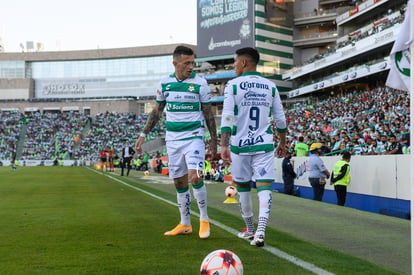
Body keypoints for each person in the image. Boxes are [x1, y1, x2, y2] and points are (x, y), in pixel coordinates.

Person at [135, 45, 217, 239]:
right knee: (179, 182)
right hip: (172, 139)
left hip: (194, 137)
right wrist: (142, 134)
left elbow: (208, 113)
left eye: (193, 63)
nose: (191, 67)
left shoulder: (201, 84)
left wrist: (213, 140)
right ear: (175, 63)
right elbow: (157, 112)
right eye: (187, 63)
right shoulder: (165, 83)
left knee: (195, 176)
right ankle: (185, 223)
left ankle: (204, 220)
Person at [220, 47, 287, 247]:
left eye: (234, 62)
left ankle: (250, 229)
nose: (233, 66)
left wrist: (223, 144)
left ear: (243, 63)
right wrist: (282, 142)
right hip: (264, 144)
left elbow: (227, 117)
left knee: (242, 188)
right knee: (264, 187)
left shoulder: (232, 85)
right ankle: (260, 232)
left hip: (240, 145)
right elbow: (280, 119)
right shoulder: (270, 86)